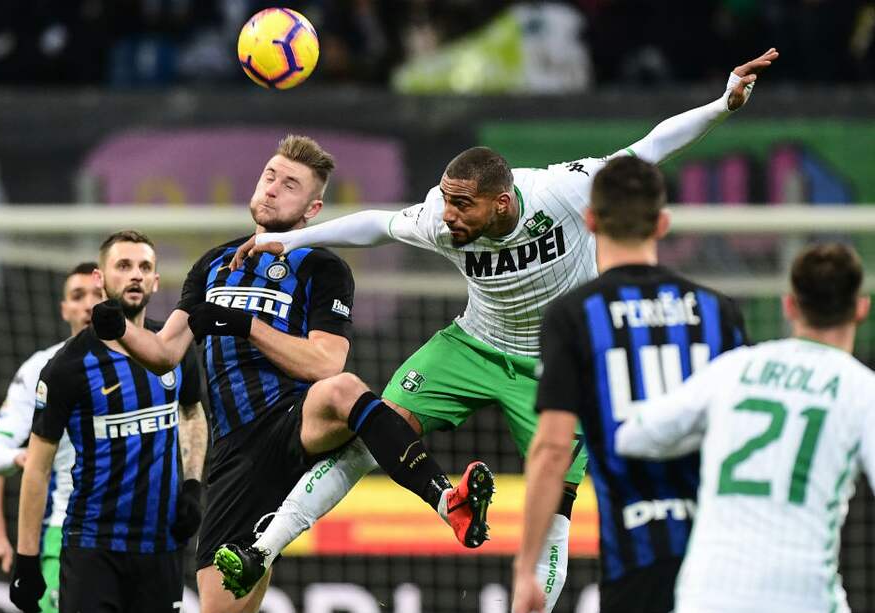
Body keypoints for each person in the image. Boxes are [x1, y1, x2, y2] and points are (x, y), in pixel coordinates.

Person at [224, 49, 778, 613]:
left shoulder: (565, 191)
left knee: (555, 508)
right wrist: (291, 239)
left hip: (555, 365)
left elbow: (651, 147)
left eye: (463, 205)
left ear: (502, 203)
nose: (449, 216)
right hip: (474, 344)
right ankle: (259, 551)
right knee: (375, 434)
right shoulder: (440, 219)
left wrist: (722, 104)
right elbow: (376, 225)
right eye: (446, 201)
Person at [89, 135, 492, 613]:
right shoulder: (213, 264)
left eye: (290, 184)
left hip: (295, 420)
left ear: (312, 208)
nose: (273, 188)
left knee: (344, 388)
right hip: (237, 452)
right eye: (270, 176)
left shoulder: (322, 266)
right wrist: (121, 329)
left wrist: (244, 324)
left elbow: (326, 363)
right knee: (223, 606)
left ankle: (446, 499)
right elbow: (164, 353)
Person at [511, 157, 747, 613]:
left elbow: (553, 450)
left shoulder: (574, 316)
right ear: (662, 224)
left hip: (635, 560)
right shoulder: (719, 312)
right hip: (720, 558)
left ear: (590, 220)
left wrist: (527, 567)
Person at [614, 242, 873, 613]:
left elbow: (632, 436)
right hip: (801, 596)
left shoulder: (734, 369)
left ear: (790, 305)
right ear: (861, 308)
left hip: (707, 595)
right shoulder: (861, 390)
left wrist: (707, 434)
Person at [10, 231, 208, 613]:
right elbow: (37, 466)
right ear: (100, 278)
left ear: (155, 280)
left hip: (162, 545)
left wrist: (192, 486)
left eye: (144, 267)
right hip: (93, 548)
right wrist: (26, 558)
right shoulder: (68, 366)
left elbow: (191, 411)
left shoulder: (174, 346)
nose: (135, 275)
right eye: (123, 266)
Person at [0, 262, 101, 613]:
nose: (88, 304)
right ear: (64, 309)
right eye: (78, 296)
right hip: (68, 533)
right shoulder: (42, 368)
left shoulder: (151, 358)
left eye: (97, 294)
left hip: (143, 535)